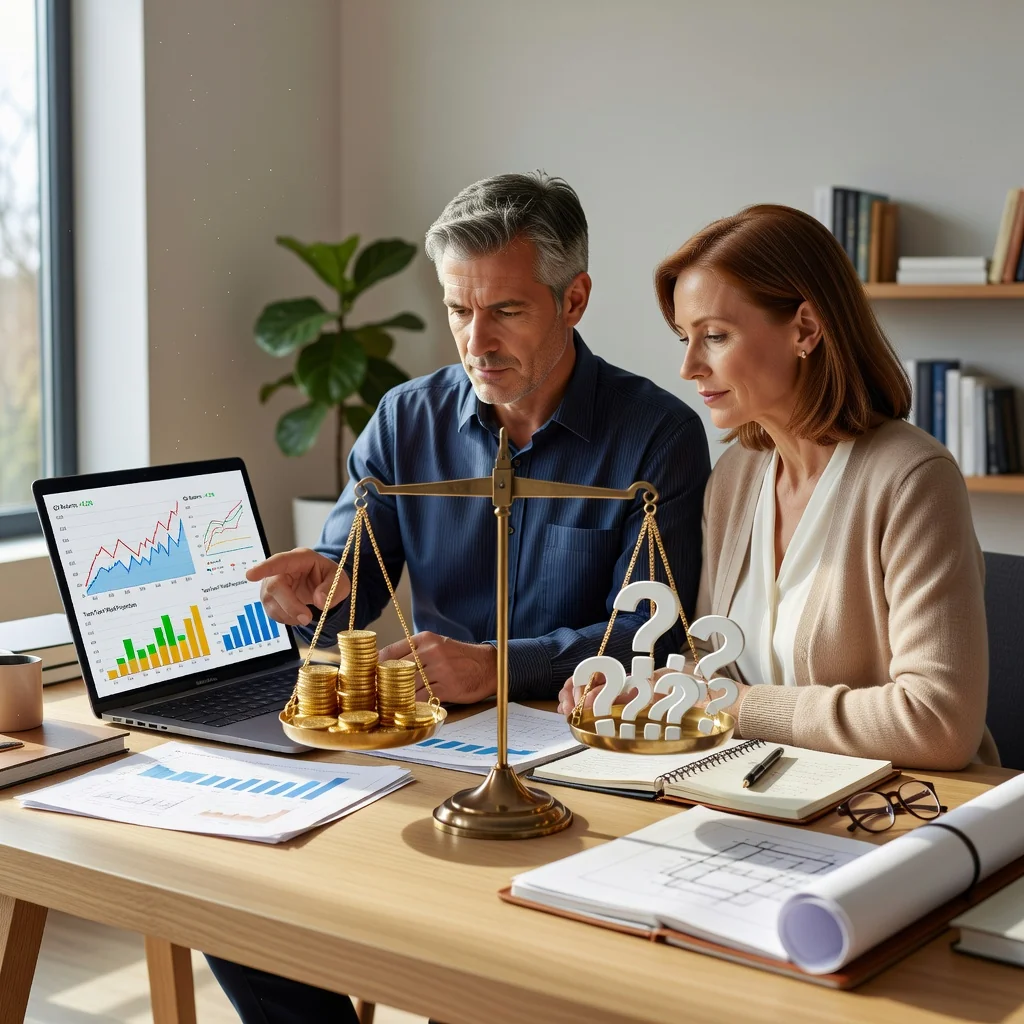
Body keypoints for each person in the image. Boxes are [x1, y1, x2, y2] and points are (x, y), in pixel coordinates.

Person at [206, 173, 710, 1023]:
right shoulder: (407, 419)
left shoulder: (658, 435)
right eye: (457, 310)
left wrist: (498, 666)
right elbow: (353, 580)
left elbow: (654, 646)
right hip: (420, 759)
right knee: (236, 903)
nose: (477, 340)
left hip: (580, 777)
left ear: (574, 298)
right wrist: (321, 586)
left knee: (477, 976)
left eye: (506, 311)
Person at [560, 203, 997, 771]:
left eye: (715, 336)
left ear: (805, 329)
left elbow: (937, 724)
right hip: (758, 789)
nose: (689, 366)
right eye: (685, 338)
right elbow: (712, 664)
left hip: (902, 811)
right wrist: (644, 691)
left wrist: (736, 706)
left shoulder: (912, 480)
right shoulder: (736, 478)